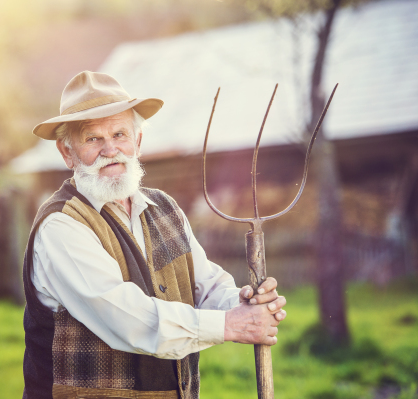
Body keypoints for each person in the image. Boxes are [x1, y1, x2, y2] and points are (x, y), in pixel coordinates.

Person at [22, 71, 287, 399]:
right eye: (93, 139)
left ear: (138, 142)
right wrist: (230, 325)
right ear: (67, 153)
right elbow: (127, 319)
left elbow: (205, 283)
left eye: (120, 134)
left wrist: (244, 304)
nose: (110, 149)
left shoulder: (164, 208)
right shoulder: (60, 227)